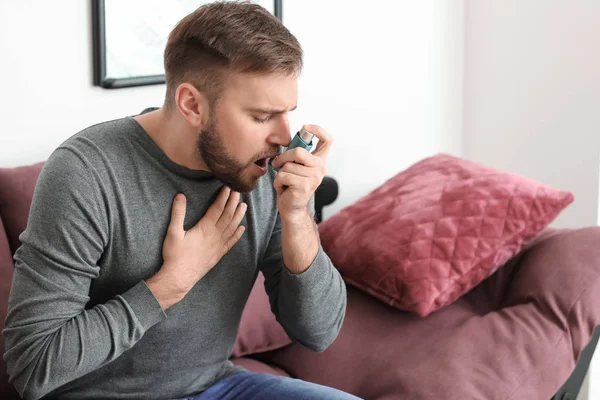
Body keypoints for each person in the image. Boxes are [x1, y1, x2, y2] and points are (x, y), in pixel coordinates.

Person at [3, 2, 357, 399]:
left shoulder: (268, 173)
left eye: (287, 112)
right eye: (261, 116)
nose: (282, 136)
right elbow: (32, 366)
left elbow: (319, 333)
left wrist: (297, 220)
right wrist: (170, 283)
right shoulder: (87, 172)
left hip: (215, 386)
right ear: (192, 104)